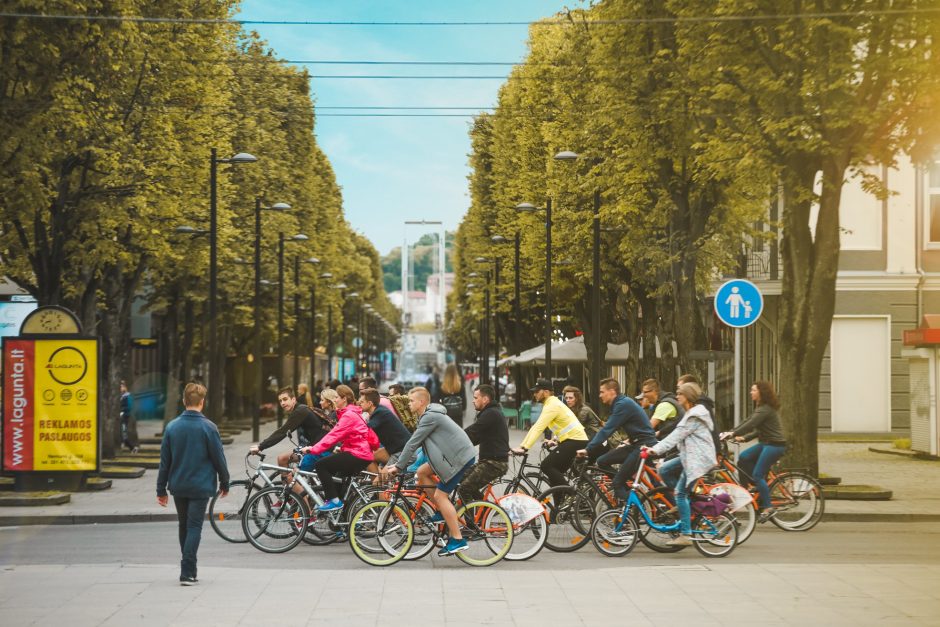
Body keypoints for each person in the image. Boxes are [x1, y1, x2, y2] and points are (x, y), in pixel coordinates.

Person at [384, 386, 477, 556]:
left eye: (411, 401)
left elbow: (413, 442)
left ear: (421, 402)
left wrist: (398, 466)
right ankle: (441, 511)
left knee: (440, 496)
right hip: (452, 456)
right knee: (421, 472)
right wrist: (402, 464)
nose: (408, 404)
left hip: (459, 459)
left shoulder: (430, 417)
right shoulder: (427, 416)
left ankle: (457, 539)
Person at [156, 382, 230, 586]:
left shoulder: (172, 427)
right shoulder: (209, 427)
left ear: (184, 401)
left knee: (184, 525)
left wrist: (161, 489)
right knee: (195, 526)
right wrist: (225, 482)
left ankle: (190, 568)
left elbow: (164, 462)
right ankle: (187, 571)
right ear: (202, 402)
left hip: (178, 484)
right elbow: (218, 458)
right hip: (201, 486)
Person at [644, 381, 718, 546]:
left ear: (688, 396)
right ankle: (684, 503)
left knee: (680, 493)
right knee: (664, 470)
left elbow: (676, 436)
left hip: (697, 459)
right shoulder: (689, 412)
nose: (677, 396)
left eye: (680, 394)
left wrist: (655, 449)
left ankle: (686, 534)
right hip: (688, 456)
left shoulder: (694, 415)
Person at [577, 378, 658, 500]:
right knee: (602, 461)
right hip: (636, 444)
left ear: (612, 391)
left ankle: (634, 509)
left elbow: (607, 429)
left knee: (617, 482)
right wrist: (627, 441)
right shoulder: (620, 404)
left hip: (643, 446)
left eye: (602, 392)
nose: (600, 395)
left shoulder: (622, 404)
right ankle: (629, 493)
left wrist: (588, 449)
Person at [300, 384, 378, 511]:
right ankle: (342, 521)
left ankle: (334, 502)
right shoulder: (349, 413)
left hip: (358, 454)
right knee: (338, 483)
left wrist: (313, 449)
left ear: (344, 399)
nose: (334, 400)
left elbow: (333, 436)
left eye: (337, 397)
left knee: (321, 465)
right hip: (360, 453)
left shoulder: (349, 415)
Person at [721, 380, 787, 523]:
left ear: (761, 393)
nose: (751, 392)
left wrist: (731, 434)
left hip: (775, 445)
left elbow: (751, 424)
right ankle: (749, 489)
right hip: (765, 444)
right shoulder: (761, 407)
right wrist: (738, 435)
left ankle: (768, 507)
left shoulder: (765, 409)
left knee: (757, 475)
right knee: (743, 458)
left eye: (753, 390)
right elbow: (750, 423)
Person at [511, 378, 588, 488]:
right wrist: (554, 440)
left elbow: (538, 427)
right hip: (573, 440)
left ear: (546, 392)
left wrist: (524, 448)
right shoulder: (551, 404)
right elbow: (558, 427)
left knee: (546, 466)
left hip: (575, 441)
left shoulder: (552, 405)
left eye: (537, 391)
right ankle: (560, 503)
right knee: (555, 475)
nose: (534, 394)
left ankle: (570, 493)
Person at [250, 387, 329, 474]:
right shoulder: (300, 409)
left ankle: (293, 486)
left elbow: (282, 432)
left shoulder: (300, 411)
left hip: (321, 449)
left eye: (285, 399)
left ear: (293, 399)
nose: (282, 403)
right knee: (282, 459)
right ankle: (290, 485)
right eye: (280, 401)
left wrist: (261, 446)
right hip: (314, 446)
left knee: (293, 476)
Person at [458, 384, 510, 504]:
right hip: (489, 461)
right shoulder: (491, 412)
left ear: (485, 399)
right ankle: (484, 510)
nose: (473, 401)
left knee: (464, 489)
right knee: (461, 479)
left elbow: (472, 431)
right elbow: (475, 438)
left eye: (476, 398)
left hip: (494, 463)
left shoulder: (491, 414)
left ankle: (470, 522)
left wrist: (453, 439)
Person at [358, 387, 410, 464]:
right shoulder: (378, 410)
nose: (359, 403)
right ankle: (377, 475)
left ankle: (379, 476)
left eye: (362, 402)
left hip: (402, 451)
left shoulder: (380, 413)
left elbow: (366, 429)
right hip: (395, 449)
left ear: (369, 403)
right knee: (368, 457)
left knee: (383, 474)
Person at [120, 380, 139, 453]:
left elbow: (129, 407)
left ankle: (133, 448)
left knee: (123, 433)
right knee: (122, 433)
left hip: (124, 416)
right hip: (122, 416)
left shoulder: (127, 396)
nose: (121, 388)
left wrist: (122, 411)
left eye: (122, 386)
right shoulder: (121, 396)